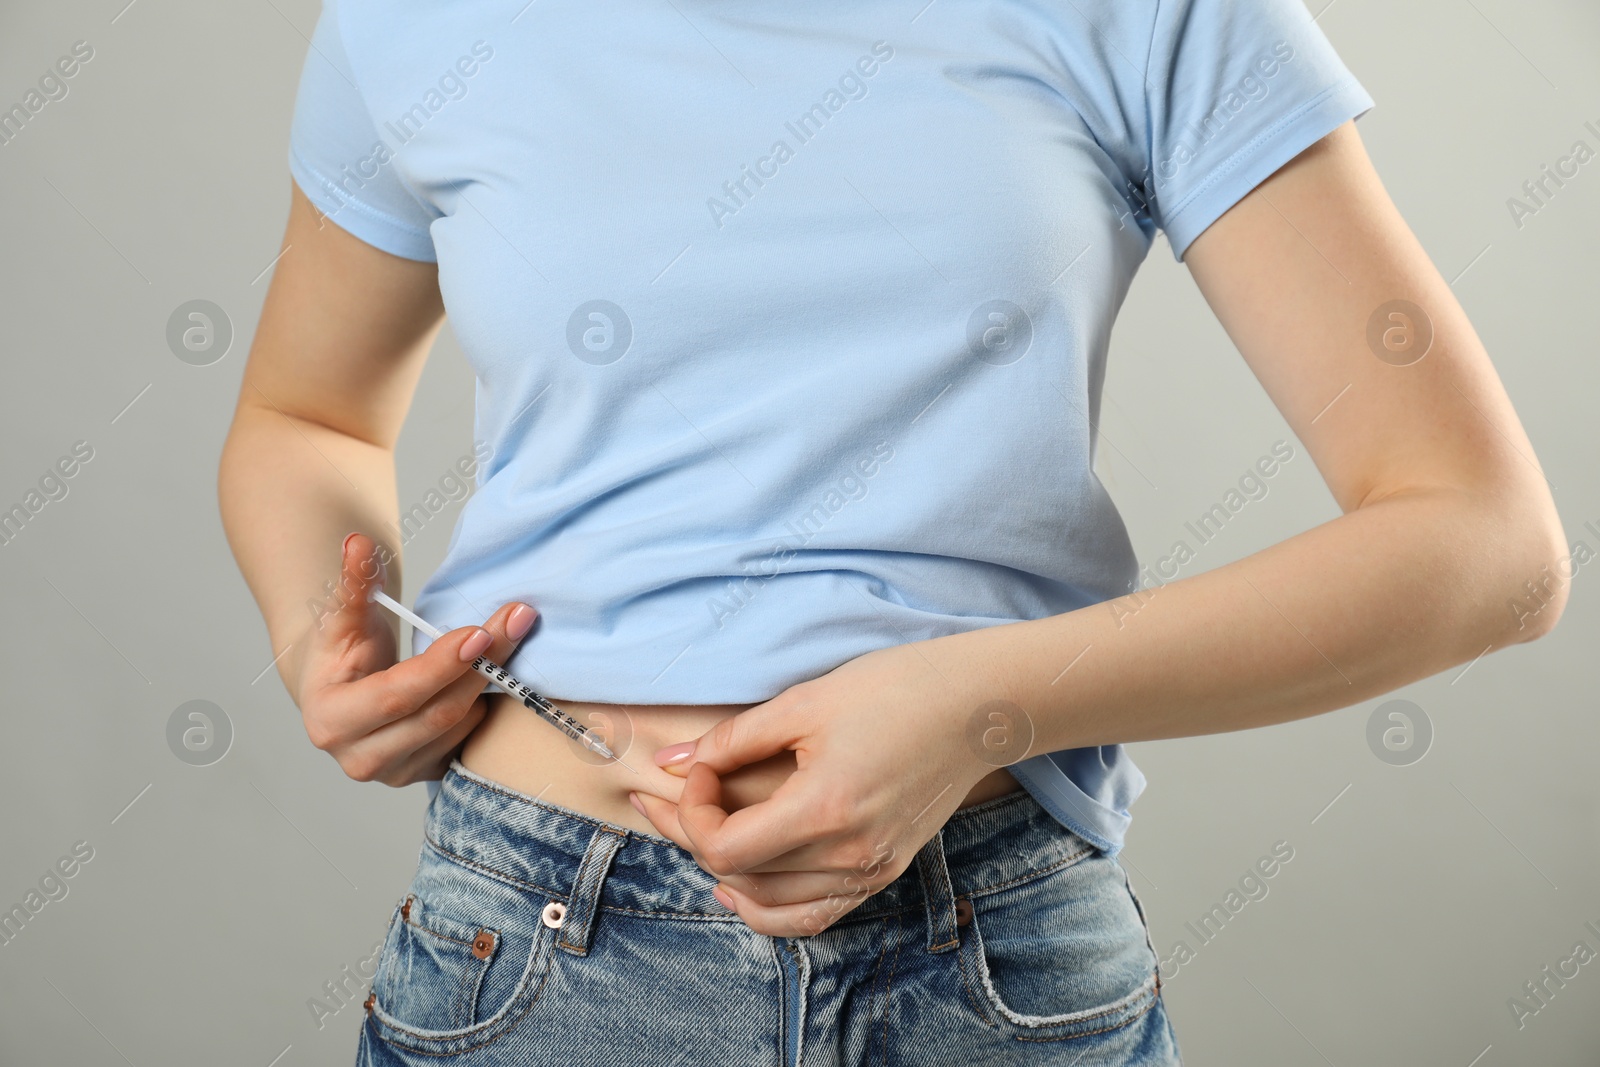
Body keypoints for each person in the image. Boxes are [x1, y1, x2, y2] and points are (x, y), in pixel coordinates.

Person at [218, 0, 1566, 1062]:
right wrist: (315, 631)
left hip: (985, 965)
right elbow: (306, 416)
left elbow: (1484, 540)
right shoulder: (418, 19)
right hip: (530, 955)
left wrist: (980, 704)